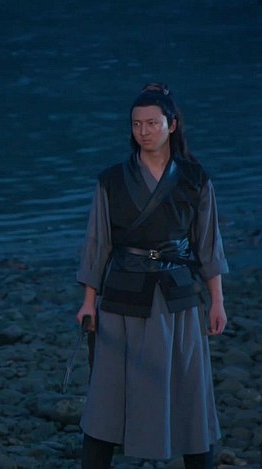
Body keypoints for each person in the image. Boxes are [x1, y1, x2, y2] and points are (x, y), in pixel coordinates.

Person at [75, 83, 228, 468]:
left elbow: (208, 245)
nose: (143, 131)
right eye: (136, 124)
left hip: (178, 295)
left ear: (171, 125)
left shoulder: (195, 179)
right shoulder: (111, 180)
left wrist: (218, 302)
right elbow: (97, 244)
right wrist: (88, 302)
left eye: (152, 123)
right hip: (123, 293)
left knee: (189, 390)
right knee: (108, 393)